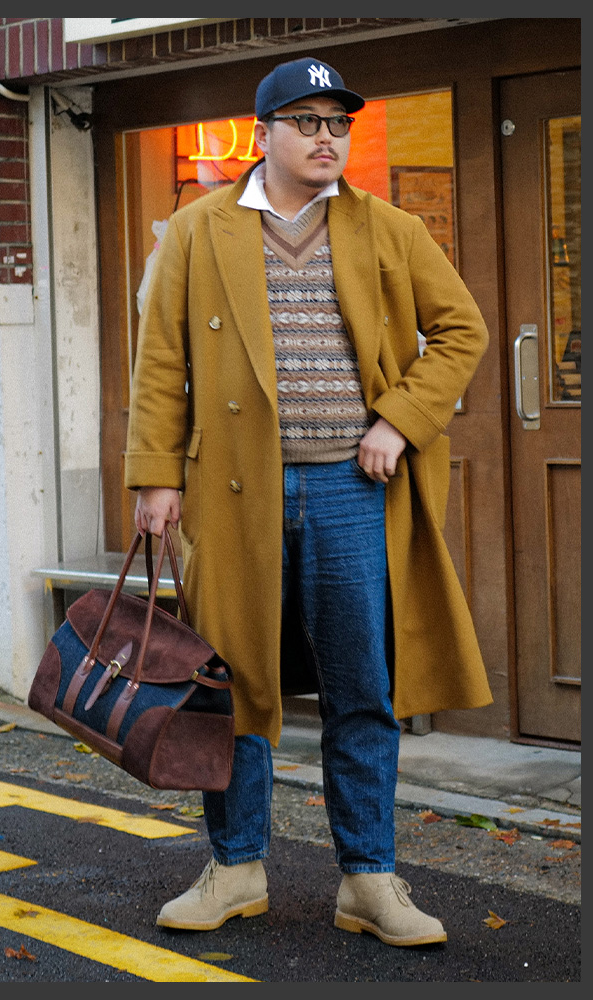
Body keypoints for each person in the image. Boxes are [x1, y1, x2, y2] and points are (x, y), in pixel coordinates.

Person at [126, 56, 491, 947]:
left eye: (339, 124)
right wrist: (155, 477)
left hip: (351, 490)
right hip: (230, 491)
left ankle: (369, 880)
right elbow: (162, 360)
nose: (327, 138)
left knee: (362, 688)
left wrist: (398, 420)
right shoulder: (196, 230)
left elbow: (461, 331)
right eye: (307, 122)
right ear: (265, 136)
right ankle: (235, 868)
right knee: (231, 685)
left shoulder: (388, 228)